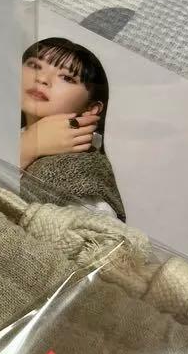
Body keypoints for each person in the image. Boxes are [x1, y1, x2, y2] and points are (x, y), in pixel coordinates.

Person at [18, 37, 126, 222]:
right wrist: (28, 146)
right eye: (35, 65)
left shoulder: (78, 171)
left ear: (91, 108)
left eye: (67, 77)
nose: (42, 79)